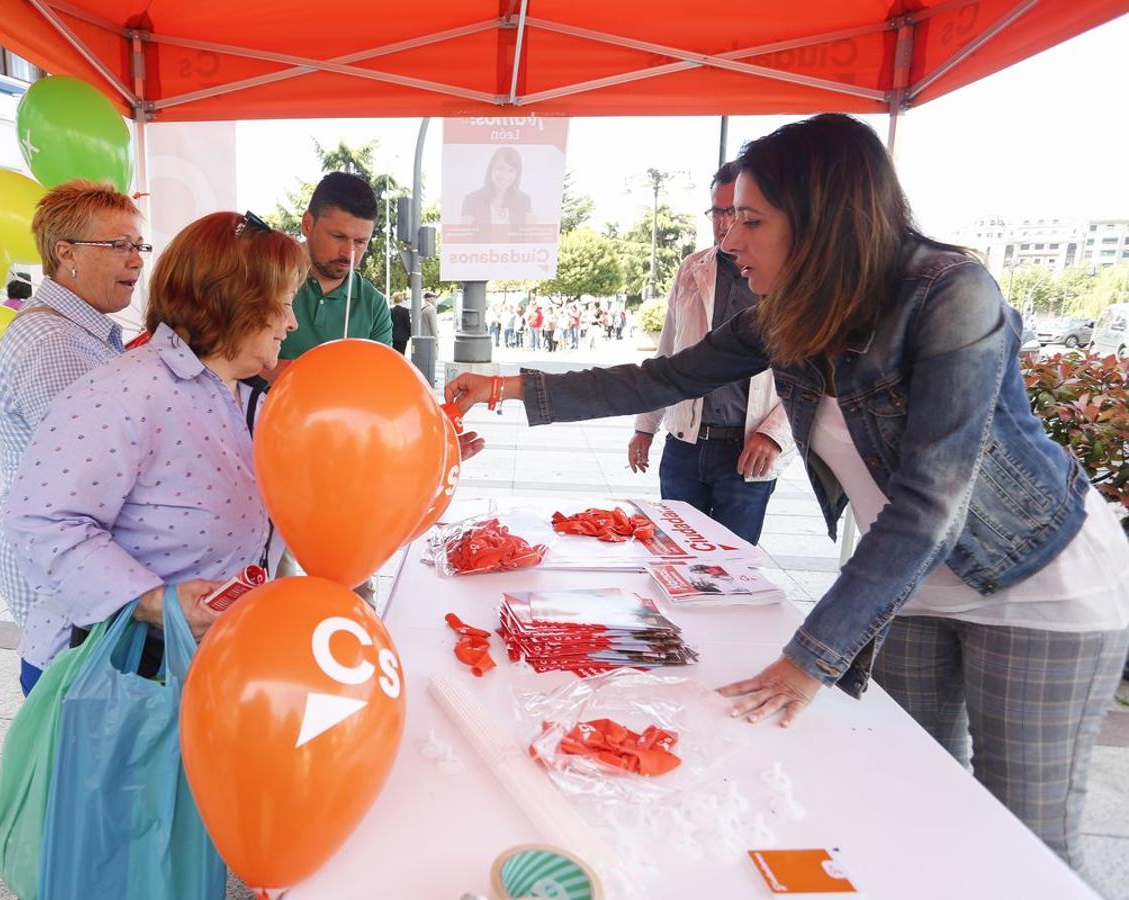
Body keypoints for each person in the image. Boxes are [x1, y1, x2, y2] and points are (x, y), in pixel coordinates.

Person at [446, 114, 1129, 870]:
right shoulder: (789, 314)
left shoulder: (952, 296)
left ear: (825, 220)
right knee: (922, 798)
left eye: (752, 219)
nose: (730, 240)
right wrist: (508, 385)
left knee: (1025, 837)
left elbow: (933, 502)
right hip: (910, 587)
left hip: (1035, 580)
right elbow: (665, 376)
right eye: (731, 217)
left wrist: (810, 659)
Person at [3, 210, 302, 686]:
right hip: (113, 676)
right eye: (284, 303)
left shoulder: (244, 394)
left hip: (196, 665)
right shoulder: (127, 390)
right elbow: (42, 520)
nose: (291, 321)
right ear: (234, 301)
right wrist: (155, 603)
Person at [0, 179, 145, 693]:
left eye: (137, 246)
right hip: (59, 579)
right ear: (66, 253)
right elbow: (93, 473)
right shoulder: (56, 342)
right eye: (118, 246)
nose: (136, 260)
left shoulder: (80, 330)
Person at [628, 162, 792, 545]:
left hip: (748, 452)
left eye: (736, 213)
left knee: (731, 574)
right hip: (685, 443)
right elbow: (667, 352)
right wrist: (644, 426)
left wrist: (773, 436)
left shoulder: (788, 279)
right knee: (674, 557)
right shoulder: (693, 267)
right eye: (716, 212)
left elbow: (814, 376)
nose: (724, 224)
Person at [273, 172, 392, 375]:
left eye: (360, 242)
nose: (349, 253)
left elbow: (379, 379)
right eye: (338, 236)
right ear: (307, 224)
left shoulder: (373, 304)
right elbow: (232, 361)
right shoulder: (266, 277)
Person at [460, 146, 534, 228]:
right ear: (491, 169)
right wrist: (463, 228)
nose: (505, 176)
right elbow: (464, 239)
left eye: (511, 170)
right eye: (500, 169)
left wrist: (532, 228)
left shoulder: (524, 200)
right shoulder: (471, 200)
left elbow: (526, 239)